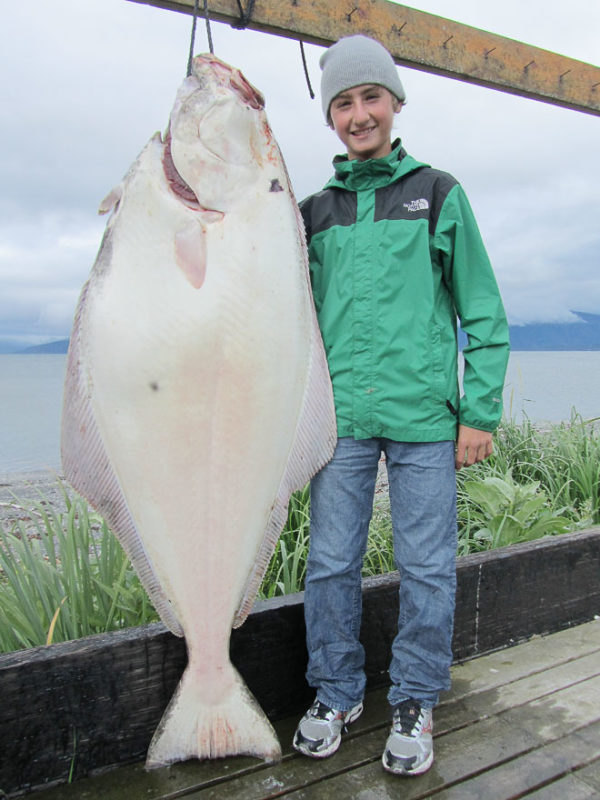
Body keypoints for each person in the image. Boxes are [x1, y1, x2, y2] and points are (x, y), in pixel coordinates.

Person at [292, 34, 510, 776]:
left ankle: (415, 697)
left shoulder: (438, 194)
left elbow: (483, 312)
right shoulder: (311, 212)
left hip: (425, 419)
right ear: (330, 116)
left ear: (395, 101)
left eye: (370, 97)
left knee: (426, 565)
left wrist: (479, 413)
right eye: (343, 102)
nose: (359, 114)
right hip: (339, 421)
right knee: (328, 564)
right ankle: (336, 691)